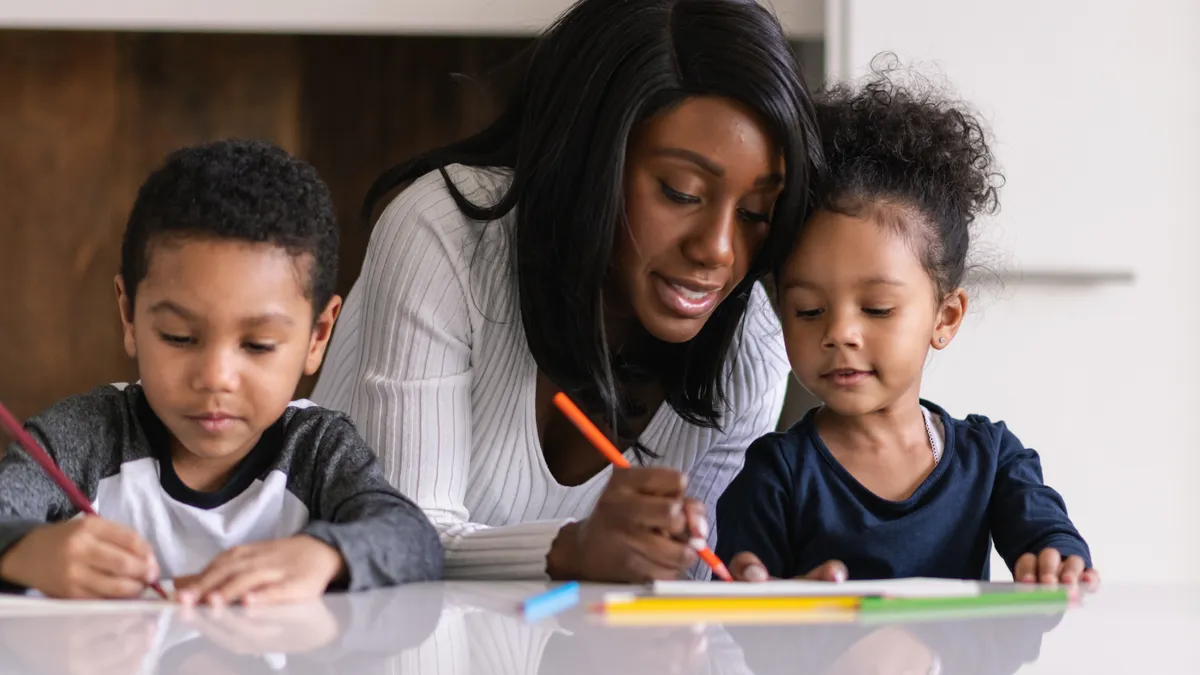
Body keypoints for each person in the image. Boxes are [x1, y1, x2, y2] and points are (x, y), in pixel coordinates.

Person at [312, 0, 823, 581]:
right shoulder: (445, 235)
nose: (719, 250)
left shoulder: (751, 342)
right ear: (591, 158)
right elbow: (399, 540)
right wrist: (571, 551)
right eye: (681, 192)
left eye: (757, 210)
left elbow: (683, 596)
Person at [0, 140, 443, 604]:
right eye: (178, 336)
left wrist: (324, 555)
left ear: (317, 337)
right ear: (129, 318)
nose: (215, 377)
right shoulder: (85, 437)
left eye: (258, 345)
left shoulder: (316, 451)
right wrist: (26, 552)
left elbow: (415, 541)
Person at [716, 69, 1099, 585]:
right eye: (808, 310)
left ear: (945, 318)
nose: (840, 333)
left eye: (875, 308)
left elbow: (1048, 535)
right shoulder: (776, 477)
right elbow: (735, 616)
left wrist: (1055, 556)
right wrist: (768, 606)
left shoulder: (991, 462)